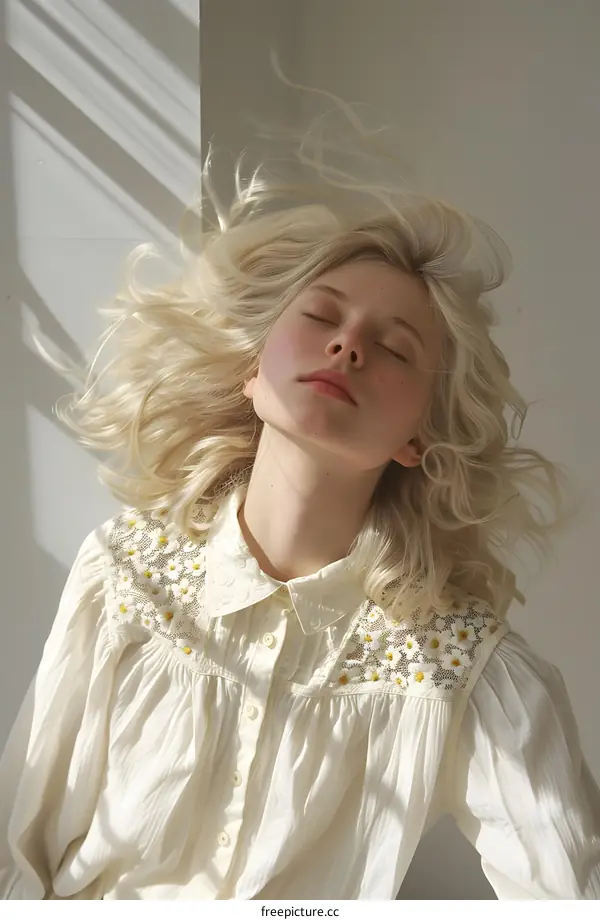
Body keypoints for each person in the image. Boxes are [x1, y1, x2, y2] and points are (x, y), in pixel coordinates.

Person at [1, 87, 599, 900]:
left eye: (395, 349)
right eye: (322, 316)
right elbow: (20, 853)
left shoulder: (460, 664)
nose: (348, 346)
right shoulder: (125, 574)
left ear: (419, 438)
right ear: (252, 371)